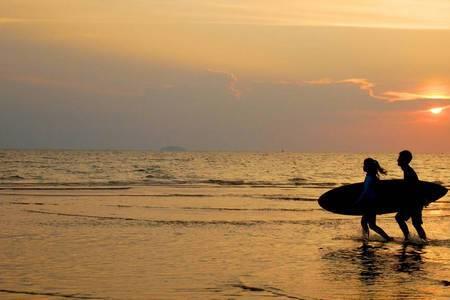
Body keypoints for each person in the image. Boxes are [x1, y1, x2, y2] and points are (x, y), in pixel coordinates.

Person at [356, 158, 392, 241]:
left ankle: (368, 239)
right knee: (368, 224)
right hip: (372, 203)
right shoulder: (371, 177)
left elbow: (366, 191)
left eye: (364, 165)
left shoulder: (370, 178)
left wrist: (358, 200)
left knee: (369, 224)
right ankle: (368, 238)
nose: (363, 166)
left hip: (370, 204)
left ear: (368, 167)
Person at [395, 150, 427, 242]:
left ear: (404, 160)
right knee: (415, 224)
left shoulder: (409, 172)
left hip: (413, 202)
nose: (397, 160)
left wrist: (422, 200)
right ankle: (418, 239)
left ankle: (408, 238)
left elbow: (414, 188)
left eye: (399, 158)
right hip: (413, 202)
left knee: (401, 218)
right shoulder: (407, 170)